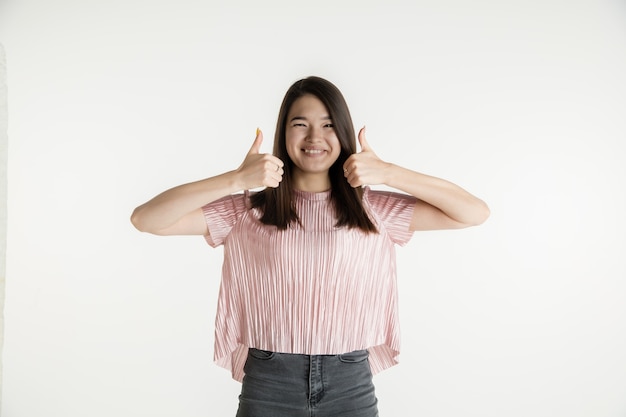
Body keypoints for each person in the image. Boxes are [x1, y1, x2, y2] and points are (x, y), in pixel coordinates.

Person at [131, 76, 490, 417]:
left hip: (349, 381)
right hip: (269, 381)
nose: (314, 136)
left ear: (343, 132)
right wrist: (236, 179)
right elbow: (146, 219)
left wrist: (389, 173)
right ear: (284, 134)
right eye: (300, 123)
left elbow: (473, 212)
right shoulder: (249, 210)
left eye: (328, 124)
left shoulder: (373, 209)